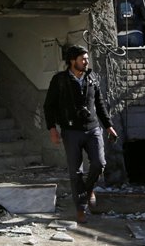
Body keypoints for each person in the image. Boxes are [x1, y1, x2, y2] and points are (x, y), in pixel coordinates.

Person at [43, 45, 118, 223]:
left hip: (93, 129)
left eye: (86, 58)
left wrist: (108, 126)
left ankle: (88, 189)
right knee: (75, 172)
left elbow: (99, 103)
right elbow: (49, 106)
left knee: (99, 163)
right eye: (82, 59)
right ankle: (81, 209)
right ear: (72, 60)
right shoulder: (59, 80)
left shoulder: (92, 77)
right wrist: (52, 129)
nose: (86, 61)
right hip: (70, 132)